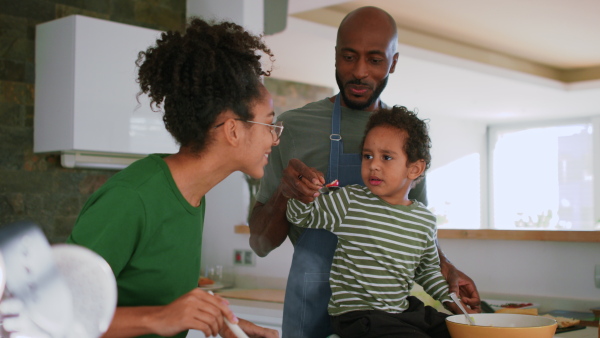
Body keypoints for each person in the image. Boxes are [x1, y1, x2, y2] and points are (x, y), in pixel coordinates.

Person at [248, 6, 480, 337]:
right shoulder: (294, 127)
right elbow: (260, 244)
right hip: (310, 300)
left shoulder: (408, 140)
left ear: (393, 62)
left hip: (385, 312)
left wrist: (447, 270)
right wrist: (286, 194)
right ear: (335, 56)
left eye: (374, 59)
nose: (359, 71)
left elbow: (412, 226)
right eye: (348, 57)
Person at [67, 17, 280, 338]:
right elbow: (59, 313)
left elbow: (157, 295)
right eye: (269, 125)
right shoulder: (133, 198)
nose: (275, 139)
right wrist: (159, 318)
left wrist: (227, 323)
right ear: (234, 130)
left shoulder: (193, 197)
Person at [287, 106, 456, 338]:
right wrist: (304, 194)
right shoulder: (350, 201)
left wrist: (450, 300)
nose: (374, 165)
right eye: (368, 156)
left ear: (414, 168)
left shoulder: (424, 220)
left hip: (400, 311)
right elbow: (300, 216)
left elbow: (427, 270)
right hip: (357, 315)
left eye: (386, 157)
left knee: (457, 329)